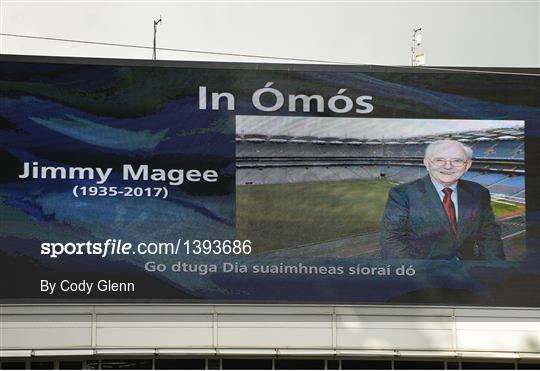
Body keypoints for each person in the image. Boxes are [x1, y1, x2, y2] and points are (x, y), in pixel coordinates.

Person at [380, 139, 505, 260]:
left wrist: (494, 270)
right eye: (439, 160)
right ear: (427, 163)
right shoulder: (402, 194)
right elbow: (392, 240)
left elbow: (489, 237)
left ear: (467, 165)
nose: (448, 166)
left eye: (457, 160)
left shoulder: (479, 192)